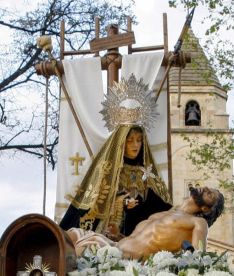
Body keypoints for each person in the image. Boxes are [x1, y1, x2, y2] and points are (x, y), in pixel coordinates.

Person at [59, 77, 172, 238]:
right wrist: (122, 203)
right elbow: (95, 205)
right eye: (130, 141)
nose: (136, 145)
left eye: (139, 140)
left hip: (137, 237)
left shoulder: (146, 173)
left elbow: (157, 206)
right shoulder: (108, 170)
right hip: (107, 235)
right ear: (121, 144)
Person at [67, 186, 225, 259]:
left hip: (124, 261)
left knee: (74, 253)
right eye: (208, 188)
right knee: (68, 236)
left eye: (210, 194)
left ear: (206, 208)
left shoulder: (197, 223)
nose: (205, 188)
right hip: (113, 245)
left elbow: (197, 258)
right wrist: (118, 235)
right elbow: (138, 239)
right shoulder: (164, 213)